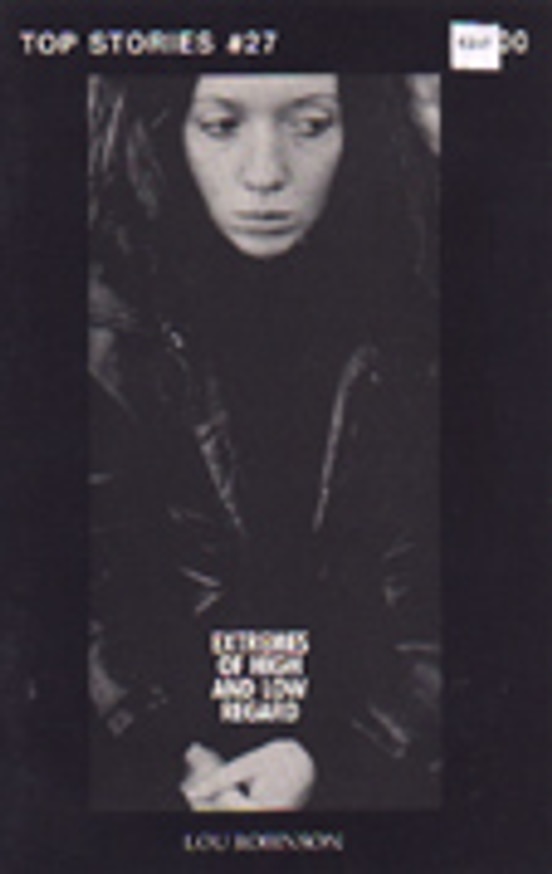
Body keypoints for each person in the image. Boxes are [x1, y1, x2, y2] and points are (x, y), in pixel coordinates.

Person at [88, 73, 440, 811]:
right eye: (221, 126)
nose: (265, 174)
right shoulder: (96, 320)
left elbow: (465, 596)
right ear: (164, 131)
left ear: (361, 128)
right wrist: (170, 756)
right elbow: (59, 583)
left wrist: (335, 759)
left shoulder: (429, 296)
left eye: (310, 125)